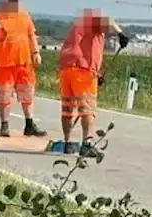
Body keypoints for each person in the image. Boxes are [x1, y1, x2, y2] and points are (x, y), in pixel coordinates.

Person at [53, 8, 128, 154]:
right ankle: (87, 144)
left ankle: (67, 143)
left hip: (66, 68)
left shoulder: (78, 25)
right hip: (82, 69)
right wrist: (120, 34)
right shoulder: (94, 17)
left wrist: (96, 75)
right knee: (87, 108)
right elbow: (108, 21)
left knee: (68, 109)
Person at [0, 0, 46, 138]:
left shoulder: (23, 13)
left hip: (24, 61)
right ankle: (5, 125)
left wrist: (36, 52)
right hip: (4, 63)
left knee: (27, 94)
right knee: (4, 96)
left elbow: (31, 34)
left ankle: (29, 124)